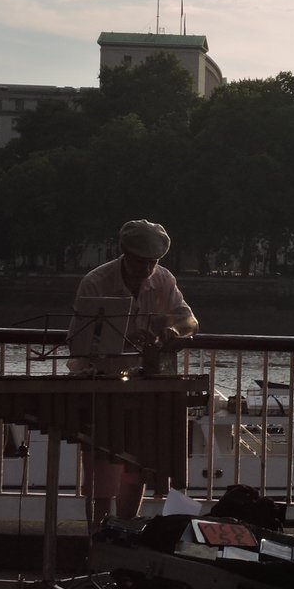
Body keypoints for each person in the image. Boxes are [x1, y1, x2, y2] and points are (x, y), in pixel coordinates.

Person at [73, 218, 199, 524]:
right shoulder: (95, 281)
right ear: (123, 253)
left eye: (152, 263)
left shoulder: (164, 279)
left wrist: (171, 330)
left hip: (143, 383)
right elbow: (78, 341)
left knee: (137, 467)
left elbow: (190, 322)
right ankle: (99, 537)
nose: (146, 270)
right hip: (100, 382)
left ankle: (125, 533)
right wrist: (119, 339)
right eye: (141, 262)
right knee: (101, 470)